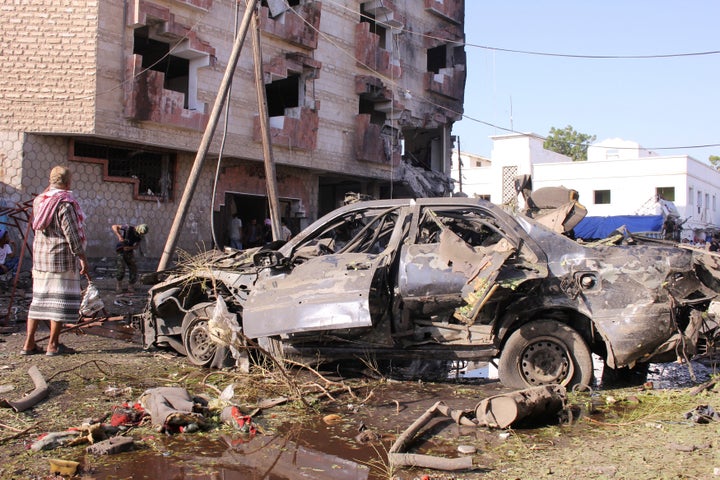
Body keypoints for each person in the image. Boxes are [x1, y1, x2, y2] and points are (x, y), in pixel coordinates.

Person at [23, 165, 89, 356]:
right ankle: (53, 345)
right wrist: (82, 258)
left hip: (41, 259)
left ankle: (28, 344)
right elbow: (72, 235)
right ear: (68, 182)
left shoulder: (39, 201)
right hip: (61, 259)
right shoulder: (65, 203)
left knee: (38, 300)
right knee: (58, 303)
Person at [111, 223, 148, 294]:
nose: (140, 234)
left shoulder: (140, 236)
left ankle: (130, 286)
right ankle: (119, 285)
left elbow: (136, 246)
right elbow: (114, 226)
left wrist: (130, 248)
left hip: (129, 251)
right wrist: (119, 236)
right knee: (121, 268)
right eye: (140, 233)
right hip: (120, 250)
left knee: (133, 268)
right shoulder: (128, 228)